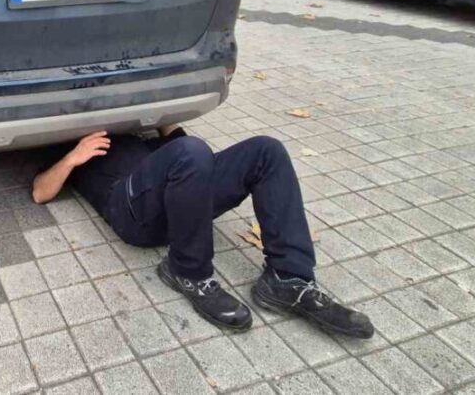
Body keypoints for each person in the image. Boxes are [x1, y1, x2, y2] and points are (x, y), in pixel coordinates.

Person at [33, 128, 374, 338]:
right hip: (130, 211)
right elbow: (40, 192)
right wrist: (73, 157)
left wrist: (168, 112)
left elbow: (187, 149)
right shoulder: (66, 139)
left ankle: (289, 279)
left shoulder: (142, 130)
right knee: (191, 150)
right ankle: (188, 272)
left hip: (182, 198)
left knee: (266, 150)